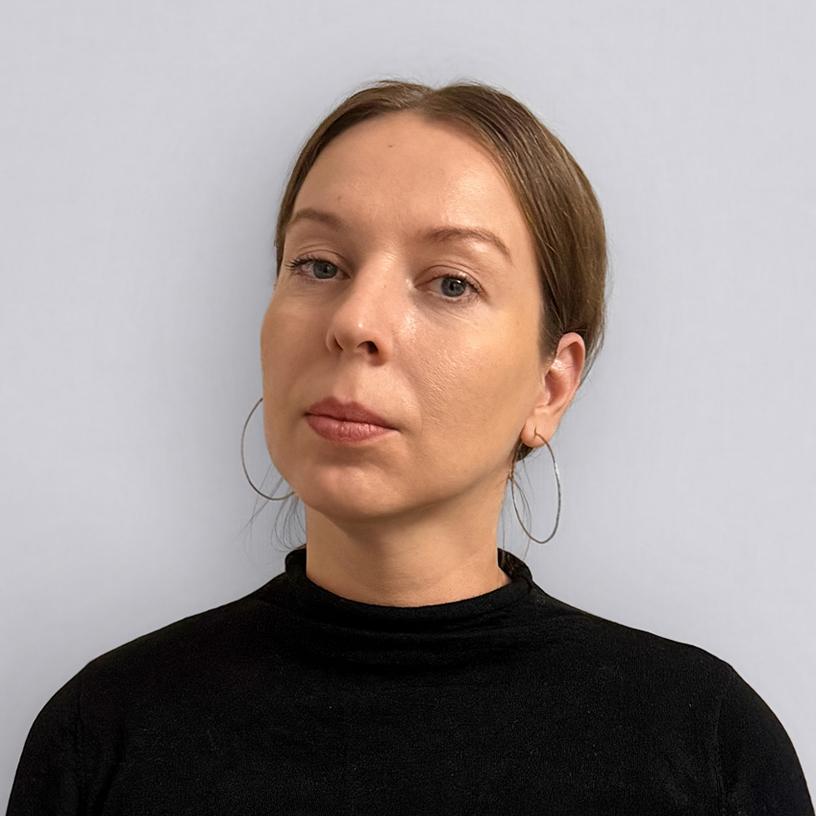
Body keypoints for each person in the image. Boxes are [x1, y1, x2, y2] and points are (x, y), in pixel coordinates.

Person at [7, 80, 812, 815]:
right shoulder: (104, 735)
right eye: (318, 265)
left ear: (550, 386)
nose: (355, 321)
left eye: (451, 282)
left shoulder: (706, 747)